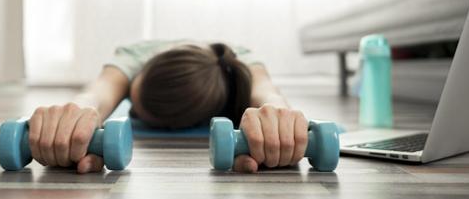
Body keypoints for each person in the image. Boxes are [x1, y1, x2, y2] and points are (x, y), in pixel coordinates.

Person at [28, 39, 309, 174]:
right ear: (142, 71)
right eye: (135, 107)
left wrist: (278, 119)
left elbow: (267, 94)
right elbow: (97, 93)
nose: (134, 112)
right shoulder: (135, 56)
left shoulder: (245, 64)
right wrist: (74, 114)